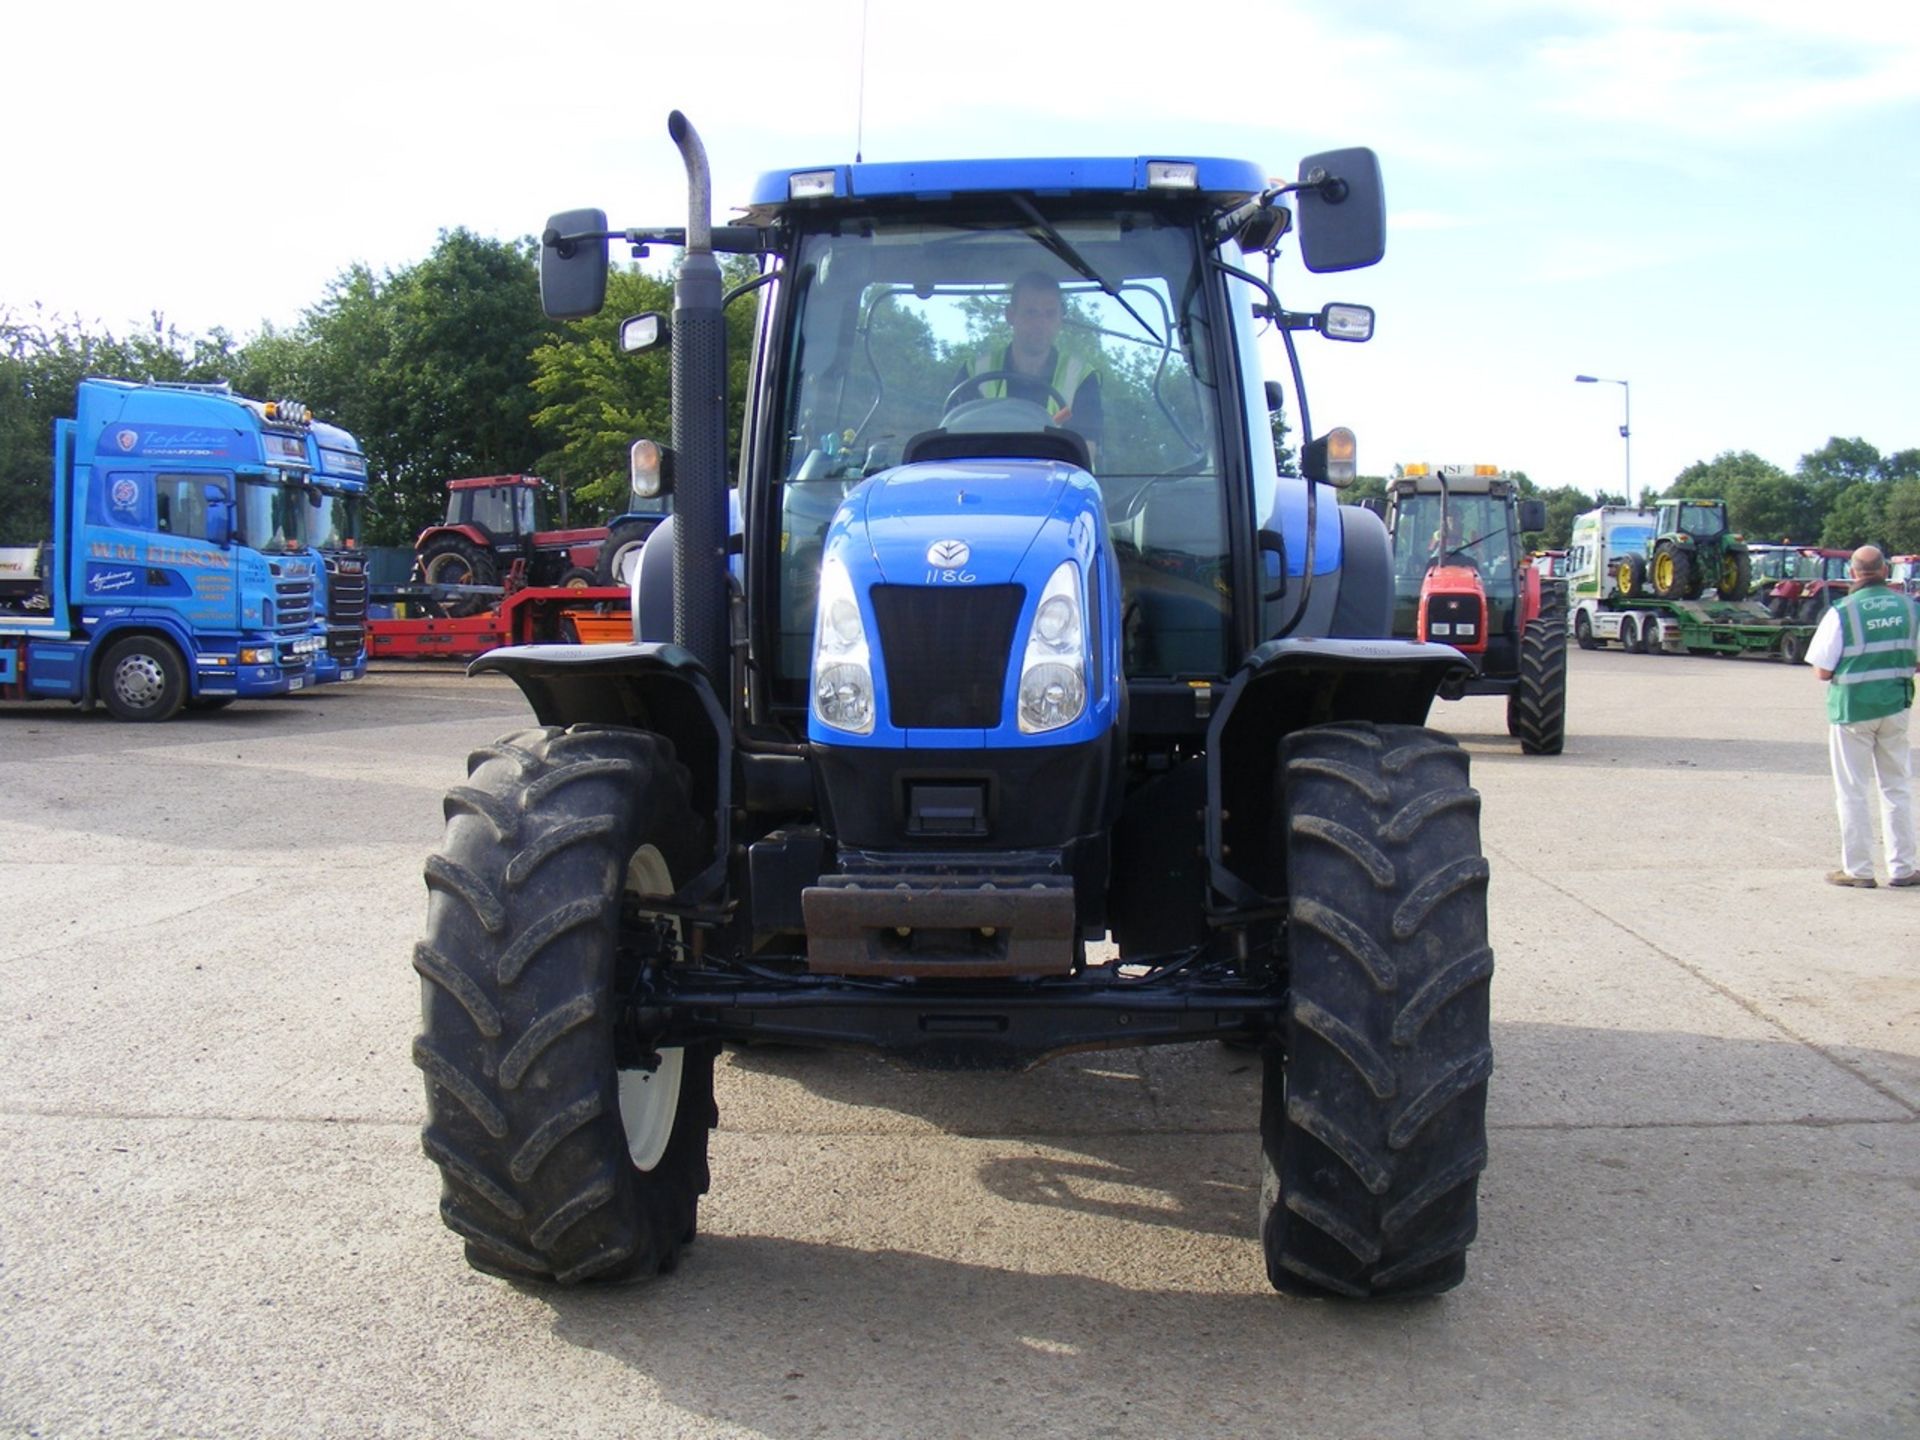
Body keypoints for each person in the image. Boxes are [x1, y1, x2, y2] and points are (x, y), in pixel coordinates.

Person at [1808, 545, 1920, 888]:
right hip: (1895, 706)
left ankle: (1858, 870)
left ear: (1853, 573)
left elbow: (1823, 671)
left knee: (1852, 789)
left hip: (1853, 711)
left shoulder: (1842, 611)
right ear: (1886, 571)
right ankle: (1903, 868)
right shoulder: (1910, 608)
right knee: (1896, 786)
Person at [954, 272, 1103, 457]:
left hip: (1056, 482)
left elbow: (1084, 451)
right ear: (1010, 315)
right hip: (986, 481)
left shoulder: (1081, 377)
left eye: (1049, 314)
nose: (1040, 323)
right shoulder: (974, 373)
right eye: (1030, 313)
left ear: (1060, 318)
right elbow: (955, 446)